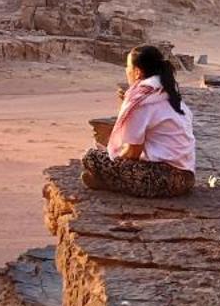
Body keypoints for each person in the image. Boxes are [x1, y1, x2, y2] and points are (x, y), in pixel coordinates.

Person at [82, 44, 196, 198]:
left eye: (128, 66)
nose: (126, 71)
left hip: (165, 180)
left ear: (137, 72)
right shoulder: (165, 92)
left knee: (91, 157)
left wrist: (114, 160)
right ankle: (108, 180)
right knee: (106, 155)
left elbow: (133, 152)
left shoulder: (141, 100)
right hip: (187, 177)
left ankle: (108, 181)